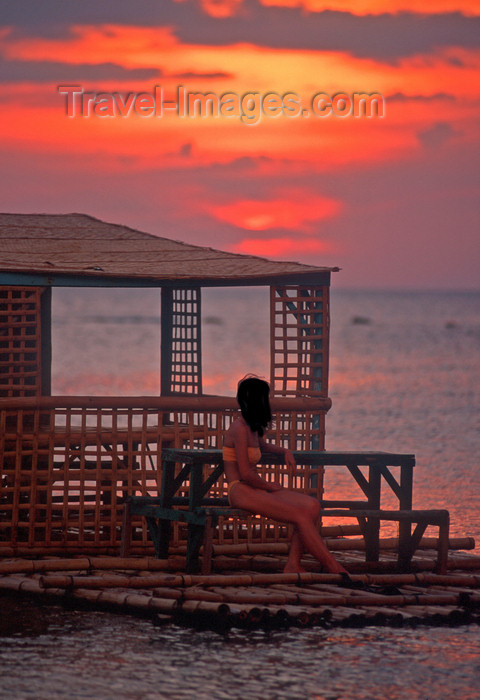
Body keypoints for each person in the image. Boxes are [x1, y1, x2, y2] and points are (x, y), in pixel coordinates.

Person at [222, 375, 348, 575]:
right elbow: (245, 473)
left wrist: (284, 452)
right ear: (256, 400)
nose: (268, 402)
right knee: (300, 515)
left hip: (256, 488)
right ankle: (335, 568)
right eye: (265, 398)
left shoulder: (253, 427)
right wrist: (269, 486)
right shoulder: (239, 428)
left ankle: (293, 564)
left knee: (312, 506)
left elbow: (262, 446)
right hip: (240, 489)